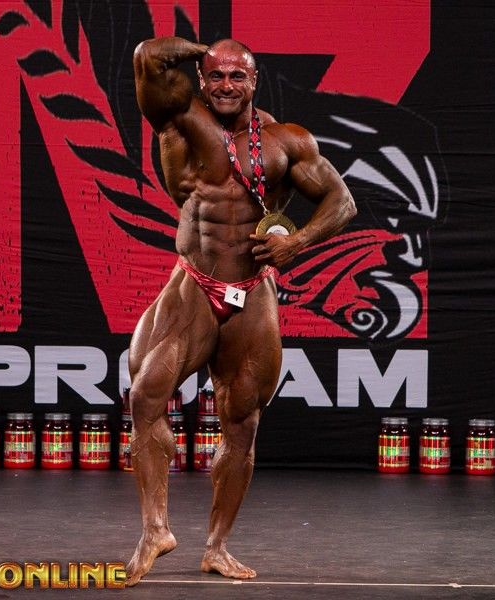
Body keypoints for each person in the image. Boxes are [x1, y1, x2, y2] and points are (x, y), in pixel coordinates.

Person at [125, 37, 356, 586]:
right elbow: (148, 57)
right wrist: (203, 49)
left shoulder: (286, 140)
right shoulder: (179, 119)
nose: (226, 86)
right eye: (216, 75)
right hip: (195, 283)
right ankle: (155, 529)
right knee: (146, 394)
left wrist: (297, 242)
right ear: (201, 79)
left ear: (255, 81)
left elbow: (342, 202)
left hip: (252, 291)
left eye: (238, 76)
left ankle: (217, 547)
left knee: (242, 422)